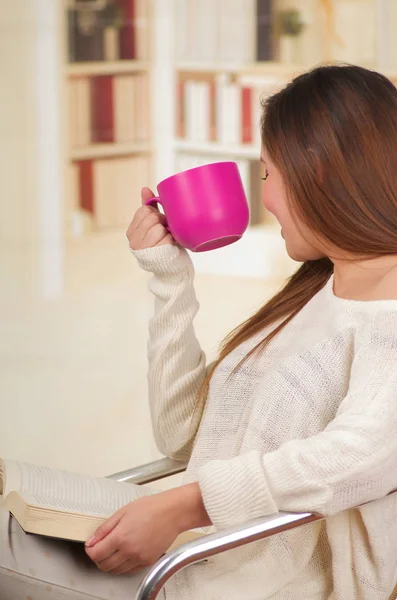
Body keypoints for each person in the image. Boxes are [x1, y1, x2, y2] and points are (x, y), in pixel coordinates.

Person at [2, 63, 397, 599]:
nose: (267, 198)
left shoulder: (387, 321)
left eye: (266, 174)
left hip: (242, 584)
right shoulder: (315, 290)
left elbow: (360, 455)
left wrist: (181, 506)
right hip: (187, 556)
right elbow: (185, 435)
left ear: (319, 173)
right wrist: (170, 282)